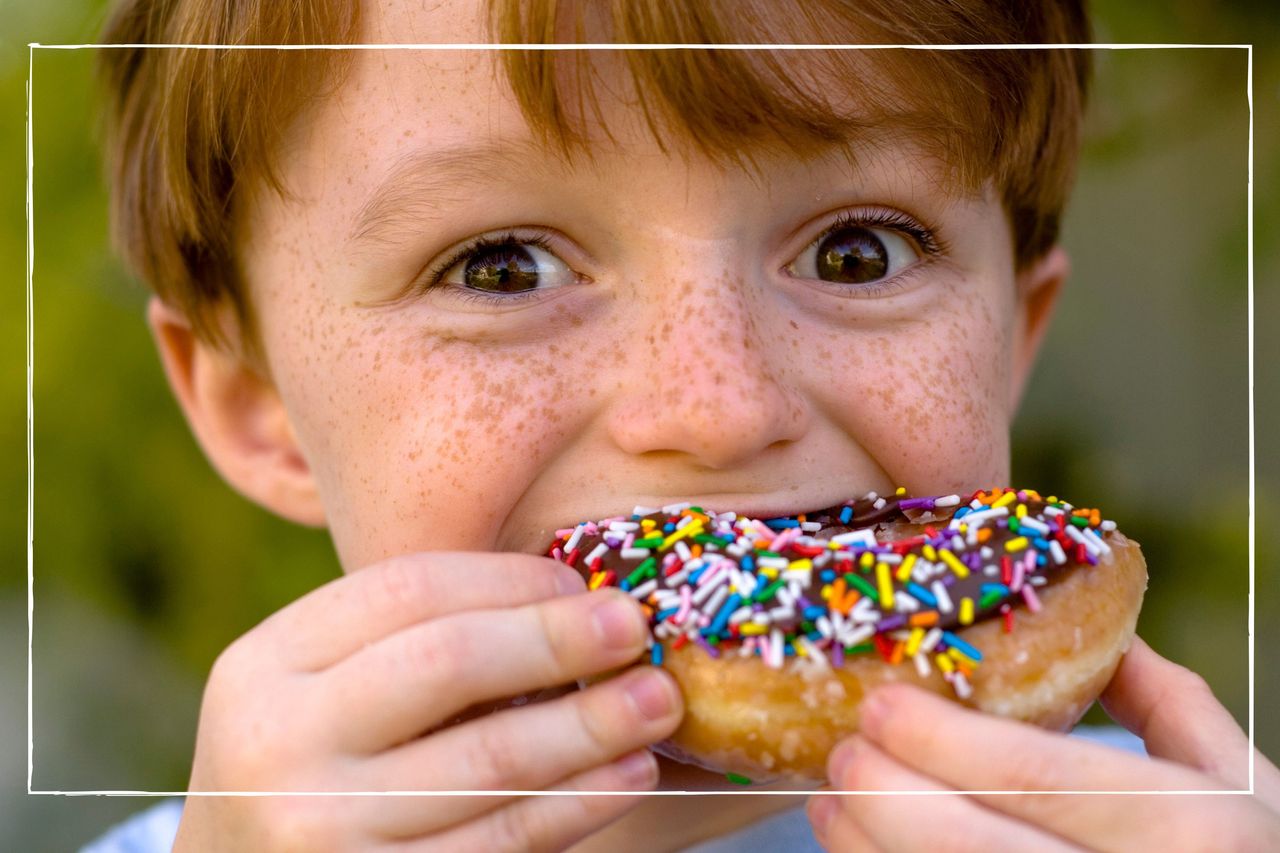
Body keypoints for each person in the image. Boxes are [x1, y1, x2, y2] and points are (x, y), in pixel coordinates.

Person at [86, 0, 1280, 849]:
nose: (717, 409)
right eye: (501, 268)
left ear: (1011, 340)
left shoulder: (1159, 827)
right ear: (262, 414)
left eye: (854, 251)